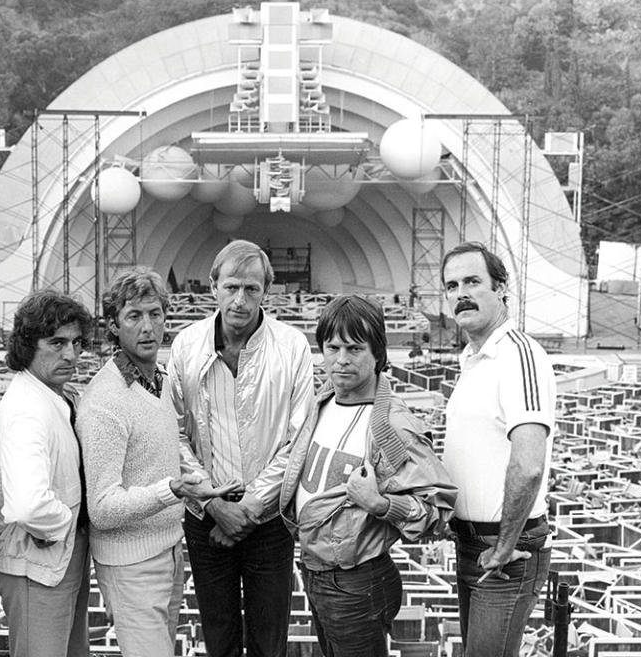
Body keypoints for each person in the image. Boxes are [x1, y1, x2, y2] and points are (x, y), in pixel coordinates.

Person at [280, 295, 456, 657]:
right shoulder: (322, 402)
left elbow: (436, 510)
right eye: (333, 347)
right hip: (318, 574)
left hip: (357, 582)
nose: (341, 360)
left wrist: (380, 504)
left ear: (378, 354)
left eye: (355, 348)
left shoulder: (391, 425)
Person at [76, 266, 235, 657]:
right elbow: (102, 509)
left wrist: (198, 487)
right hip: (131, 566)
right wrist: (171, 490)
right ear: (113, 326)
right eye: (134, 317)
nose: (147, 327)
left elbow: (168, 451)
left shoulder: (158, 381)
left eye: (155, 314)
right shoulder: (105, 402)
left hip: (167, 551)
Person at [168, 240, 315, 657]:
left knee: (270, 638)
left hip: (268, 520)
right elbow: (173, 434)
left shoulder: (291, 348)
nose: (240, 299)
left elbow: (298, 437)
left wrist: (248, 508)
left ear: (266, 291)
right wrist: (215, 505)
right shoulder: (185, 346)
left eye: (251, 289)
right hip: (206, 517)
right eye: (231, 286)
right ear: (213, 286)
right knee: (219, 634)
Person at [440, 242, 556, 657]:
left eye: (473, 281)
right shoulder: (473, 359)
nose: (460, 293)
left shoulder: (518, 355)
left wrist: (504, 546)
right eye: (451, 285)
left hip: (505, 548)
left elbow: (528, 464)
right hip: (472, 543)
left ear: (502, 288)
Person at [0, 291, 93, 657]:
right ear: (28, 344)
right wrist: (66, 524)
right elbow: (29, 506)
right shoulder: (29, 408)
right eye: (56, 342)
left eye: (76, 343)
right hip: (37, 561)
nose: (70, 354)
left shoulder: (51, 396)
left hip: (55, 559)